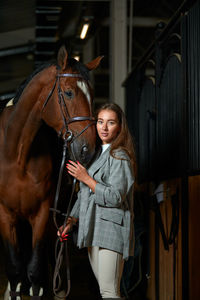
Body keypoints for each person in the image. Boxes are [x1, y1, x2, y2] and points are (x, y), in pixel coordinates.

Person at [58, 102, 136, 299]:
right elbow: (85, 194)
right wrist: (71, 221)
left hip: (111, 230)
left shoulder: (120, 157)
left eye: (111, 122)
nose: (104, 127)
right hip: (92, 227)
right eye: (100, 121)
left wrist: (86, 178)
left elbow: (115, 197)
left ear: (119, 127)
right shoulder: (94, 156)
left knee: (109, 292)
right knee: (107, 291)